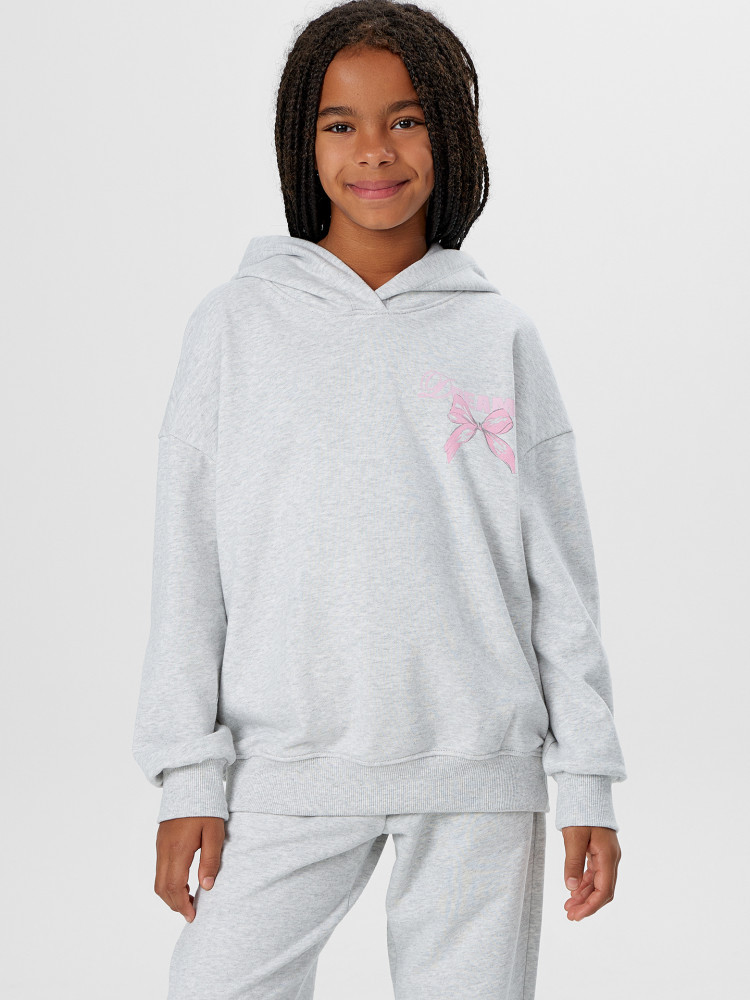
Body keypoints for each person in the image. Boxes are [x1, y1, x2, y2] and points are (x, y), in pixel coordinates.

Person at [132, 2, 627, 997]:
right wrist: (189, 772)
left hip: (480, 774)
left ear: (450, 136)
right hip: (286, 766)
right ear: (301, 140)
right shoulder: (233, 327)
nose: (375, 151)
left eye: (406, 120)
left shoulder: (499, 336)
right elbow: (188, 562)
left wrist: (587, 778)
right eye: (340, 123)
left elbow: (560, 577)